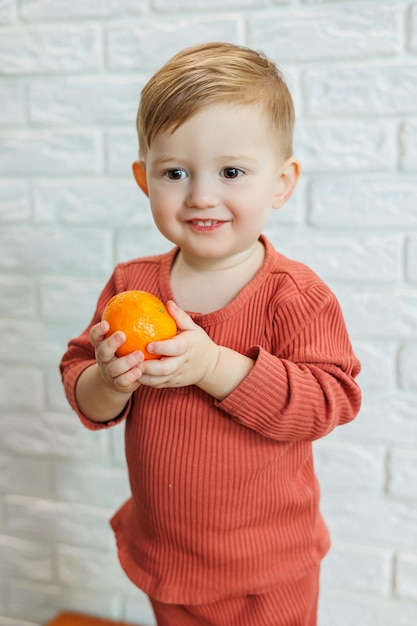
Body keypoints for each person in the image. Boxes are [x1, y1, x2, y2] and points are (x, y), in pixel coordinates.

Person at [60, 42, 361, 626]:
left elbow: (332, 401)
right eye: (175, 172)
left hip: (268, 566)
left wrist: (213, 367)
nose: (201, 195)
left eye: (231, 172)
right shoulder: (131, 284)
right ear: (144, 179)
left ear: (281, 182)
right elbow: (82, 385)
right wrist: (110, 381)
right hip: (168, 553)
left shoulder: (295, 295)